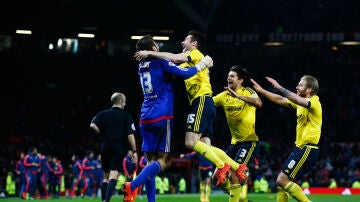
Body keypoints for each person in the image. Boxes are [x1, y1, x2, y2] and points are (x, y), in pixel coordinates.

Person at [134, 30, 249, 188]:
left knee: (190, 142)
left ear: (194, 44)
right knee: (206, 148)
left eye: (185, 40)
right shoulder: (188, 62)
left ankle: (222, 166)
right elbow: (172, 64)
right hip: (205, 103)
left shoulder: (195, 53)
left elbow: (173, 58)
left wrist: (149, 52)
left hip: (200, 101)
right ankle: (238, 167)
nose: (182, 43)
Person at [122, 34, 213, 202]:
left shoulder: (141, 65)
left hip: (145, 117)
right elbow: (184, 73)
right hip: (162, 116)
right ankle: (132, 185)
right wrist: (201, 65)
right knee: (164, 162)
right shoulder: (161, 61)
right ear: (154, 48)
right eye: (157, 44)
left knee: (150, 164)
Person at [251, 75, 322, 202]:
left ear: (309, 89)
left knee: (282, 180)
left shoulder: (314, 101)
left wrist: (279, 87)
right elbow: (281, 100)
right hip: (299, 148)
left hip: (308, 148)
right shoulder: (300, 103)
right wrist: (262, 91)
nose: (297, 87)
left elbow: (298, 100)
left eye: (300, 85)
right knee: (280, 183)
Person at [212, 65, 262, 202]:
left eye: (232, 76)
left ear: (240, 80)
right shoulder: (224, 95)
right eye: (228, 76)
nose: (228, 78)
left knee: (235, 175)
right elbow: (208, 103)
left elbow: (259, 103)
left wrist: (238, 95)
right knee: (217, 176)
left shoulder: (248, 91)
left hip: (249, 142)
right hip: (233, 143)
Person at [90, 92, 138, 202]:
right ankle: (106, 200)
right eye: (124, 101)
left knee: (106, 177)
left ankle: (103, 200)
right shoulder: (126, 115)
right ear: (120, 101)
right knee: (114, 174)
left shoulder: (103, 113)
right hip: (118, 146)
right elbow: (130, 135)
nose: (125, 103)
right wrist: (134, 150)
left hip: (105, 146)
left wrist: (99, 133)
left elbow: (92, 125)